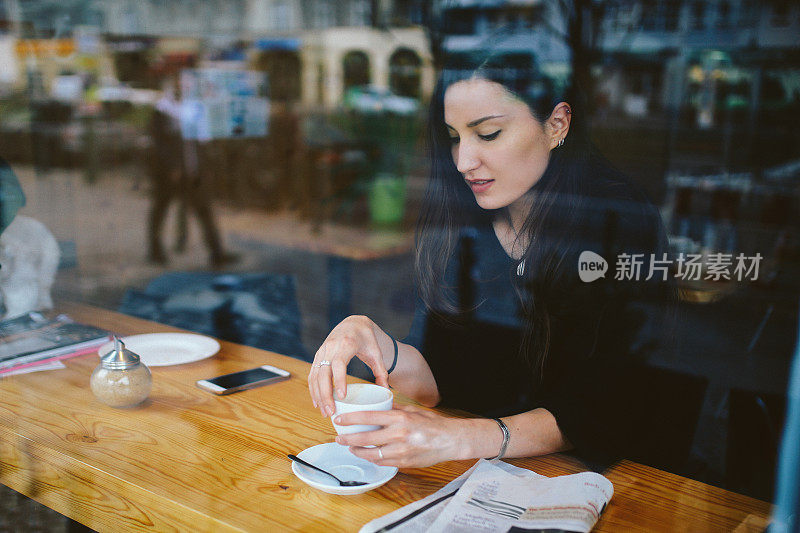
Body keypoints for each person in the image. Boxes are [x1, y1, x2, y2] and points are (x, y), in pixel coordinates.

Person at [308, 48, 675, 469]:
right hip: (478, 472)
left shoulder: (617, 217)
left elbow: (608, 408)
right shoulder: (465, 220)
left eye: (488, 134)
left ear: (557, 124)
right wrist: (369, 338)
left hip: (606, 480)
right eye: (453, 137)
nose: (465, 161)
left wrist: (462, 437)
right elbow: (438, 380)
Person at [146, 78, 237, 268]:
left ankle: (217, 253)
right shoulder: (162, 110)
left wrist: (204, 169)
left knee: (204, 210)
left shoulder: (193, 110)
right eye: (180, 85)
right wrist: (172, 167)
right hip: (170, 174)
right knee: (161, 210)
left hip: (193, 172)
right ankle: (155, 250)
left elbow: (200, 143)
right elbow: (158, 143)